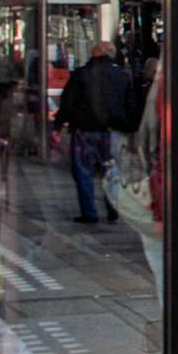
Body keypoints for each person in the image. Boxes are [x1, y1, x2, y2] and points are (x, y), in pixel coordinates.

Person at [57, 40, 129, 223]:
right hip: (111, 131)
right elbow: (130, 104)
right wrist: (129, 128)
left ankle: (89, 212)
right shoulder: (121, 76)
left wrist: (58, 124)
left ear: (95, 53)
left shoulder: (81, 74)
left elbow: (68, 102)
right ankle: (112, 205)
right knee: (111, 170)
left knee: (83, 171)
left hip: (84, 130)